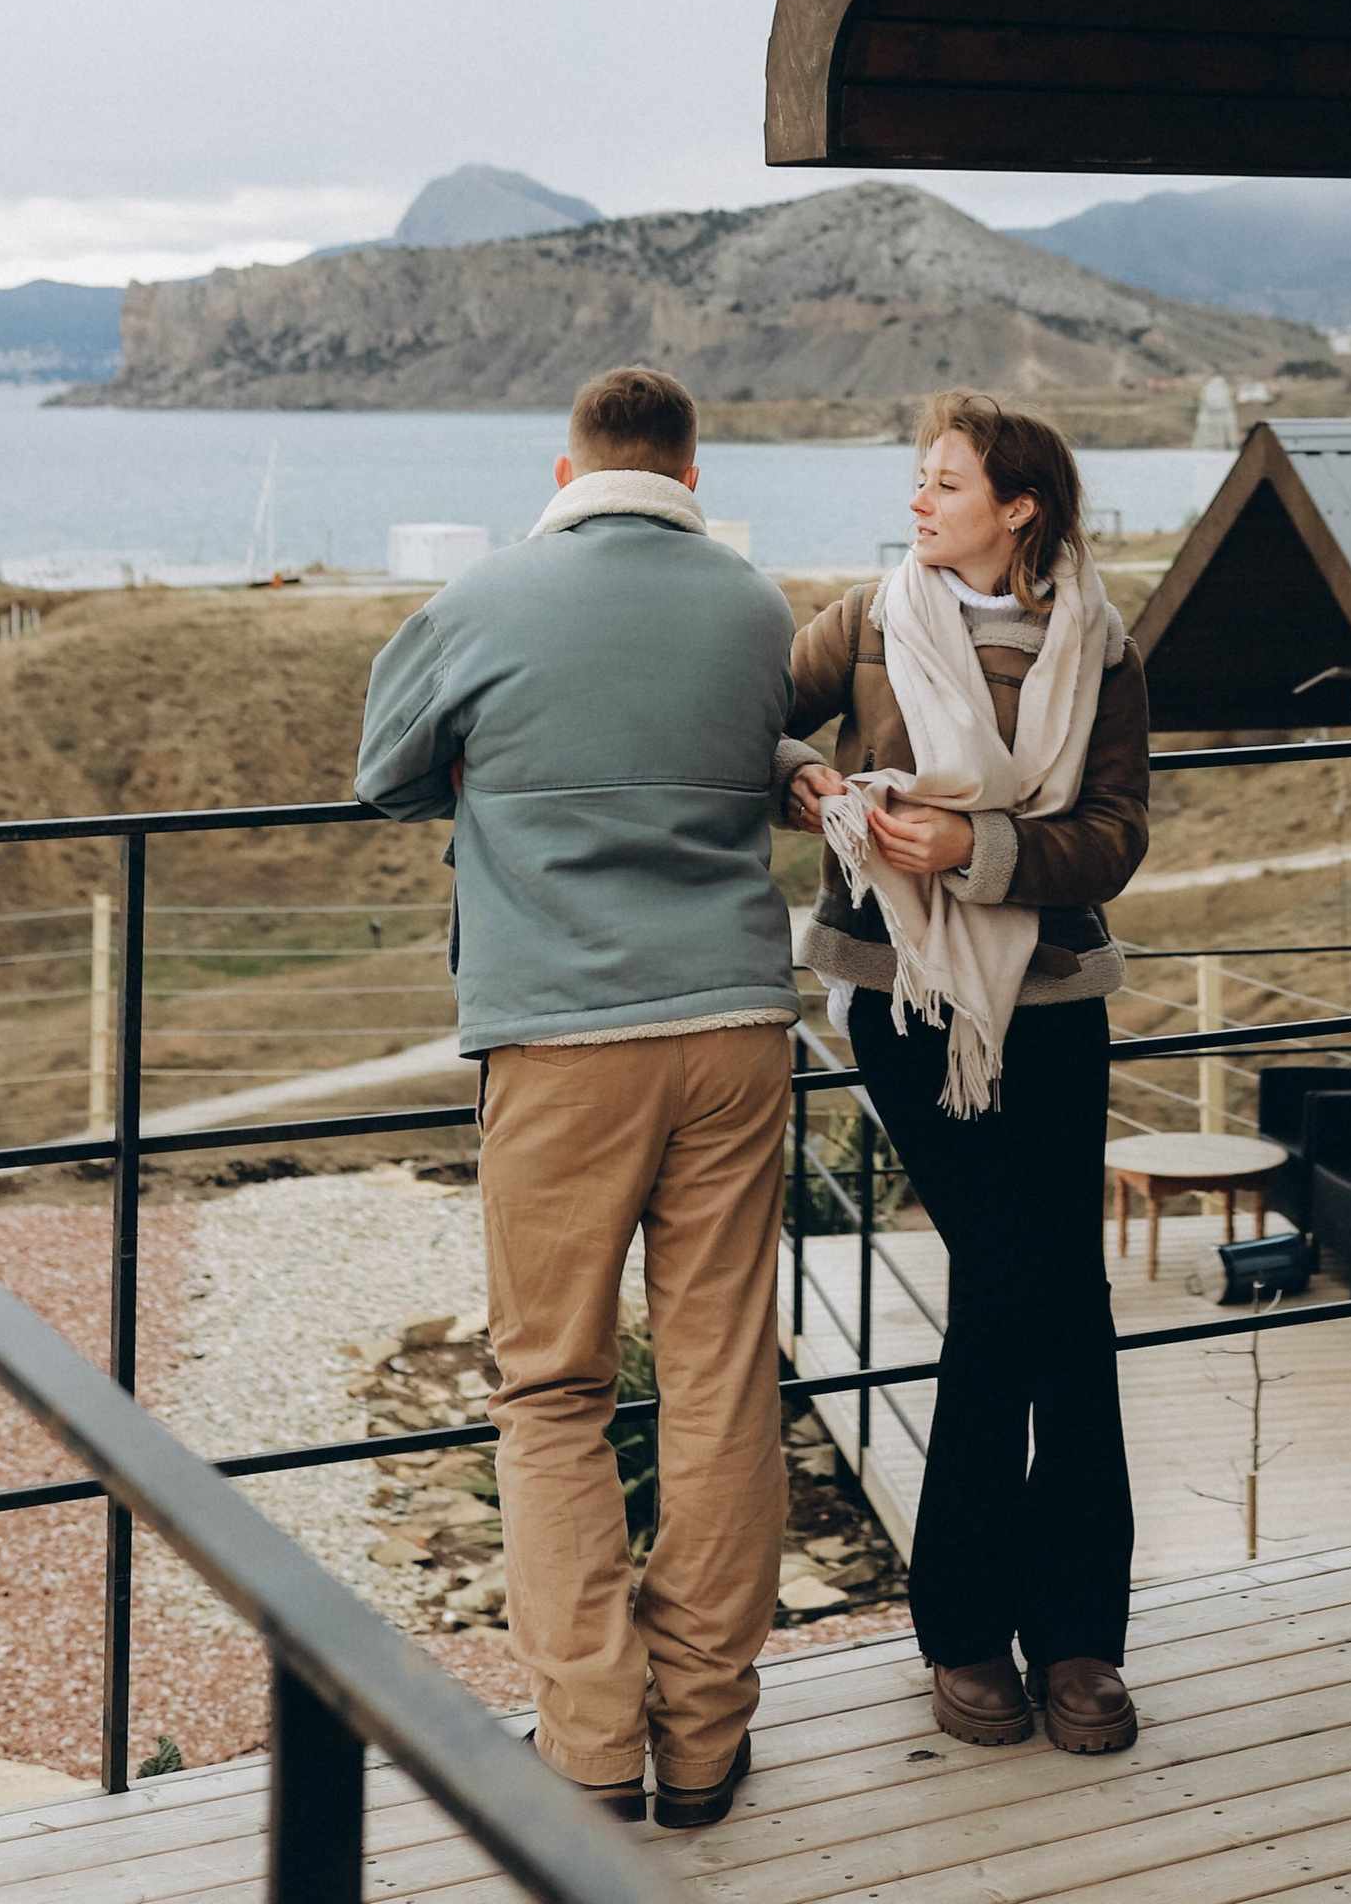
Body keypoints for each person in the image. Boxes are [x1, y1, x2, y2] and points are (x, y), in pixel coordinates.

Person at [356, 363, 797, 1832]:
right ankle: (707, 1738)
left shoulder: (482, 599)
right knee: (723, 1373)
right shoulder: (756, 606)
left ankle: (594, 1745)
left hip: (560, 1041)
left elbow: (384, 773)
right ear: (690, 474)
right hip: (737, 1025)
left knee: (551, 1386)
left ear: (565, 475)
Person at [782, 392, 1150, 1755]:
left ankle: (1078, 1637)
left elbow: (1114, 835)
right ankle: (964, 1630)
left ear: (1019, 507)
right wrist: (807, 781)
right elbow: (753, 719)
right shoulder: (868, 620)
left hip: (1053, 1000)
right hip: (904, 998)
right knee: (1010, 1285)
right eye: (921, 479)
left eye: (945, 483)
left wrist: (979, 854)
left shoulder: (1100, 642)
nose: (920, 502)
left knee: (1070, 1302)